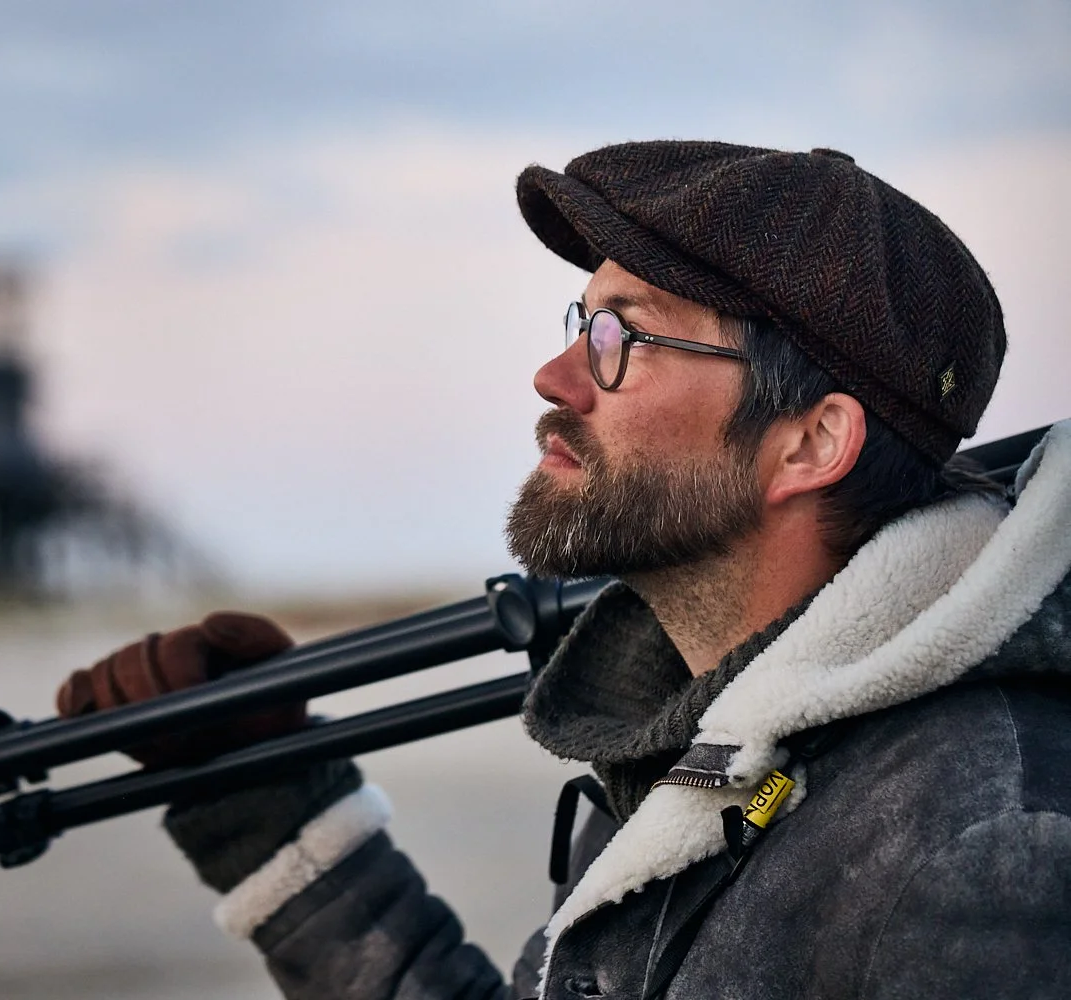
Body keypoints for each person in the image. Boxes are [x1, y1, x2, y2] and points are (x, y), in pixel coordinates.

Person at [54, 141, 1071, 999]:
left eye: (624, 335)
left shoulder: (976, 845)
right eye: (580, 322)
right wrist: (273, 803)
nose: (556, 377)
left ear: (810, 443)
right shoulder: (710, 740)